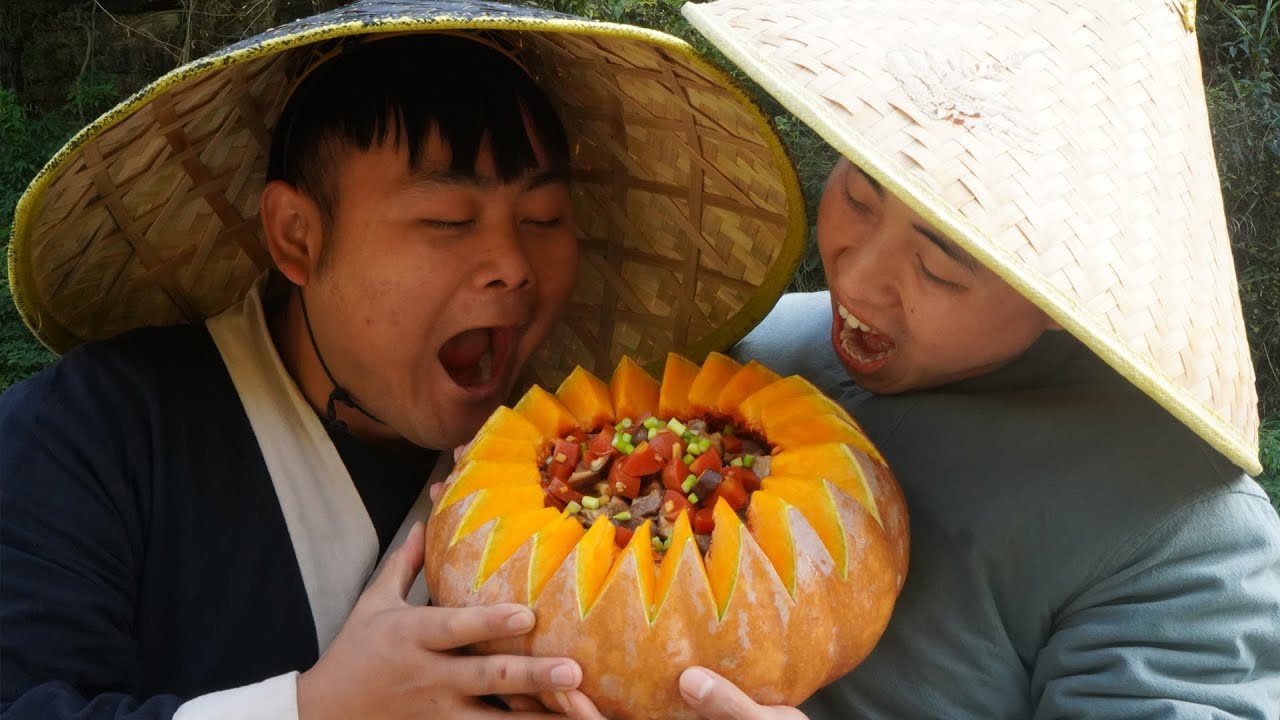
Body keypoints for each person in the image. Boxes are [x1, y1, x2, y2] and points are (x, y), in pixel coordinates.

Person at [0, 2, 806, 718]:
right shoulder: (87, 436)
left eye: (544, 215)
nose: (513, 264)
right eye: (450, 219)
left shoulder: (598, 469)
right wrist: (314, 711)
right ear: (297, 238)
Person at [663, 0, 1280, 718]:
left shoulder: (1184, 533)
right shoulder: (746, 352)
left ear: (1062, 296)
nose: (855, 281)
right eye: (858, 199)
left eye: (938, 269)